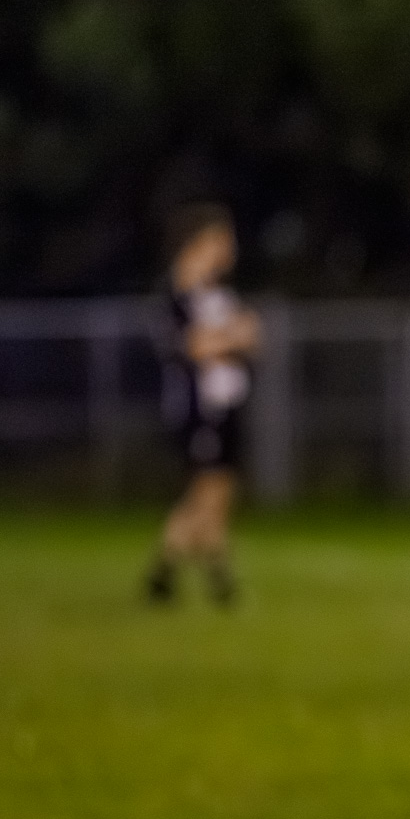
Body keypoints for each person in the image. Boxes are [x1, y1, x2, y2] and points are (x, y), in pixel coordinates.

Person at [144, 203, 260, 606]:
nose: (229, 249)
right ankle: (214, 579)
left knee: (218, 492)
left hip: (227, 402)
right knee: (206, 492)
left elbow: (249, 338)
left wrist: (230, 338)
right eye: (222, 240)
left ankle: (168, 574)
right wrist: (230, 338)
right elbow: (193, 346)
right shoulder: (179, 295)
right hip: (200, 406)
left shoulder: (219, 294)